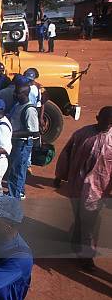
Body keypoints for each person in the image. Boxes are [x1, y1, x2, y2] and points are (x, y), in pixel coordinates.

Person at [54, 106, 112, 271]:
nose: (107, 125)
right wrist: (59, 175)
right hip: (77, 185)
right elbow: (66, 153)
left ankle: (86, 257)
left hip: (99, 190)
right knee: (81, 218)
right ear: (97, 118)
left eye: (110, 123)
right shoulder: (81, 134)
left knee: (90, 223)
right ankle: (76, 242)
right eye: (105, 121)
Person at [7, 80, 39, 199]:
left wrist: (11, 133)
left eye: (17, 92)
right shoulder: (18, 105)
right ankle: (17, 192)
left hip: (22, 144)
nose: (15, 94)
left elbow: (33, 131)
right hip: (16, 143)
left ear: (25, 94)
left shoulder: (29, 110)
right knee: (16, 169)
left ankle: (14, 196)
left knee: (17, 170)